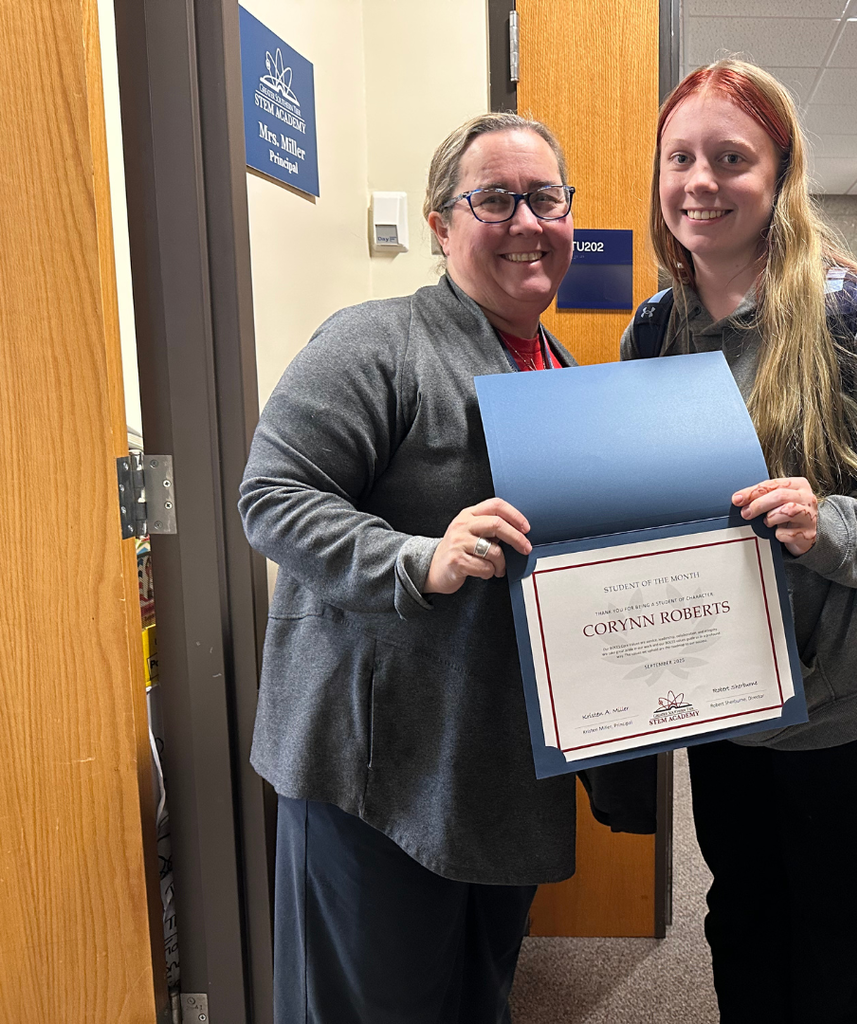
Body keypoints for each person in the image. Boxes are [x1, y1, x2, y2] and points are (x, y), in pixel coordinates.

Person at [621, 60, 857, 1024]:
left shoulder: (856, 315)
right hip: (726, 694)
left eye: (731, 158)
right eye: (680, 158)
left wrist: (829, 525)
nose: (701, 181)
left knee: (852, 939)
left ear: (779, 174)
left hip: (853, 699)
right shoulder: (655, 330)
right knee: (744, 916)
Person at [238, 113, 579, 1024]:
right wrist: (417, 558)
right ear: (440, 225)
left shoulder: (562, 371)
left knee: (476, 997)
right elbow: (273, 496)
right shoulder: (375, 343)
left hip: (496, 765)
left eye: (545, 198)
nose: (526, 222)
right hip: (376, 770)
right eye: (493, 199)